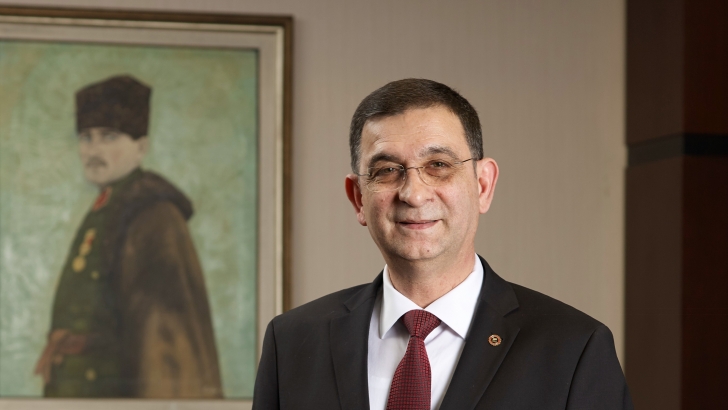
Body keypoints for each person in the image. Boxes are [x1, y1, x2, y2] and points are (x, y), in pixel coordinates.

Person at [252, 78, 633, 409]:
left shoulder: (573, 348)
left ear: (483, 185)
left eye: (438, 165)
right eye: (387, 170)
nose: (414, 194)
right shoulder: (292, 343)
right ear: (358, 199)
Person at [34, 75, 223, 398]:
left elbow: (166, 343)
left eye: (108, 137)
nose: (93, 150)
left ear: (141, 147)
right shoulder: (109, 208)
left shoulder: (153, 216)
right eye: (86, 137)